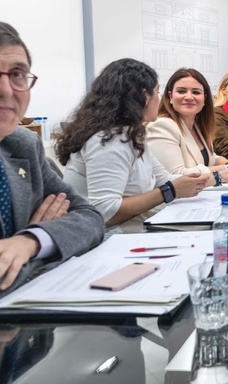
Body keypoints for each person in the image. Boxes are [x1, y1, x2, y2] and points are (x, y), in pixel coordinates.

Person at [0, 22, 103, 295]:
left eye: (18, 74)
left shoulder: (23, 145)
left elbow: (90, 217)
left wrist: (30, 241)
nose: (7, 90)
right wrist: (47, 238)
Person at [57, 59, 208, 232]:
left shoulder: (133, 135)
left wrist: (213, 178)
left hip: (129, 229)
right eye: (157, 93)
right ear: (144, 96)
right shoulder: (108, 139)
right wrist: (169, 191)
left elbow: (166, 180)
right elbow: (104, 211)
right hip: (103, 237)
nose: (158, 100)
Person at [146, 68, 228, 183]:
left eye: (196, 92)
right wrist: (227, 167)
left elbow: (212, 158)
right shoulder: (161, 126)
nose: (189, 97)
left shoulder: (198, 126)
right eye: (181, 91)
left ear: (204, 99)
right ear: (170, 96)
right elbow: (175, 175)